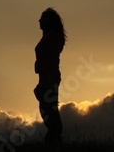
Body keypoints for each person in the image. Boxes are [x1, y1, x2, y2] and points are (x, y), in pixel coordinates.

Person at [34, 7, 66, 144]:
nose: (39, 21)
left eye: (43, 18)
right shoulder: (48, 36)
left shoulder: (52, 37)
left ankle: (55, 135)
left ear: (50, 22)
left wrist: (48, 78)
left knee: (49, 106)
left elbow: (51, 58)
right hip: (46, 75)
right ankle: (54, 135)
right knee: (46, 105)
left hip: (50, 75)